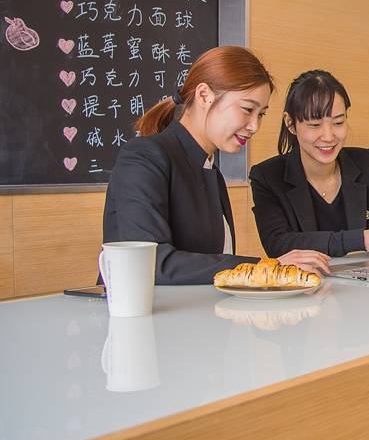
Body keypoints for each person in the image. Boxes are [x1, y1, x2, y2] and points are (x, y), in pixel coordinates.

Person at [101, 46, 330, 285]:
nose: (254, 126)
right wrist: (266, 267)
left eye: (261, 114)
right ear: (203, 96)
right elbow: (151, 262)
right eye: (247, 109)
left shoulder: (210, 169)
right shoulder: (144, 156)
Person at [249, 70, 369, 259]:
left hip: (365, 277)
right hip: (306, 278)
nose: (328, 136)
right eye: (315, 125)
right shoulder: (267, 176)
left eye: (338, 123)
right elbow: (279, 244)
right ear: (290, 123)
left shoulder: (368, 163)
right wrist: (360, 239)